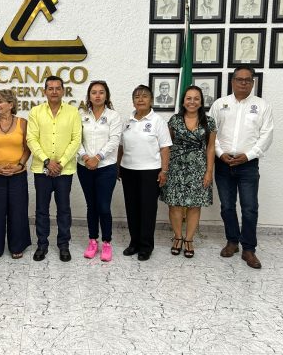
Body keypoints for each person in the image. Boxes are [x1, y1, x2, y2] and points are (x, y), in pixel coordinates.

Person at [209, 66, 274, 269]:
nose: (244, 83)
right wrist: (220, 153)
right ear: (232, 81)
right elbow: (211, 133)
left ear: (253, 83)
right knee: (227, 206)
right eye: (240, 79)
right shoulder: (220, 104)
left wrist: (248, 155)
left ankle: (249, 249)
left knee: (249, 207)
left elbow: (267, 135)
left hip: (248, 164)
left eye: (248, 80)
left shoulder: (262, 106)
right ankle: (232, 241)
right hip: (223, 162)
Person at [27, 76, 82, 262]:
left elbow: (76, 139)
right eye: (50, 88)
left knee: (63, 209)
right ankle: (42, 244)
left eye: (58, 88)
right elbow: (31, 139)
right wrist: (46, 161)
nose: (54, 91)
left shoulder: (73, 112)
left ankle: (63, 245)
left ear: (63, 91)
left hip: (64, 171)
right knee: (41, 209)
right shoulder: (35, 112)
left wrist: (61, 163)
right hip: (41, 169)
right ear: (45, 91)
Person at [160, 86, 216, 258]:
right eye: (189, 98)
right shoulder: (174, 120)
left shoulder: (209, 122)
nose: (192, 102)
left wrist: (209, 171)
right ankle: (177, 237)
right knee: (174, 204)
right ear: (183, 101)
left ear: (201, 102)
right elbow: (166, 145)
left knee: (194, 205)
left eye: (196, 98)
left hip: (198, 168)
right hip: (175, 167)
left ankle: (189, 239)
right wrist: (164, 169)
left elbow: (211, 148)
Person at [118, 85, 171, 261]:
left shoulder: (158, 121)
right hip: (128, 170)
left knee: (147, 210)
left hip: (150, 172)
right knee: (132, 208)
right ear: (133, 101)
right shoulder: (127, 121)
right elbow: (121, 146)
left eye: (144, 96)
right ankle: (134, 243)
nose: (140, 99)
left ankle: (146, 246)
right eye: (137, 97)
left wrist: (164, 170)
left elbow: (165, 148)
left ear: (151, 100)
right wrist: (118, 166)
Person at [0, 89, 31, 259]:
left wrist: (19, 165)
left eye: (0, 101)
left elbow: (27, 149)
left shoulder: (23, 123)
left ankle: (18, 246)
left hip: (18, 174)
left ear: (11, 104)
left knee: (18, 210)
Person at [77, 81, 122, 262]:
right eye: (94, 92)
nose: (97, 95)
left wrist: (98, 157)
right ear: (89, 96)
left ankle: (107, 242)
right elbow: (76, 139)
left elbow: (114, 140)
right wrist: (85, 157)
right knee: (91, 206)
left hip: (106, 168)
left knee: (103, 206)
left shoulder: (113, 116)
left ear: (106, 95)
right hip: (85, 166)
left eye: (101, 92)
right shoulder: (81, 115)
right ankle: (92, 241)